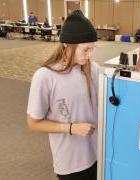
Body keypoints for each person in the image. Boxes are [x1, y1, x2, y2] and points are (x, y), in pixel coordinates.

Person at [27, 10, 99, 180]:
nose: (90, 55)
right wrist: (71, 128)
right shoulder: (45, 76)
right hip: (70, 162)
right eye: (85, 50)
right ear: (67, 44)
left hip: (96, 154)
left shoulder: (93, 69)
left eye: (92, 49)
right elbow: (33, 123)